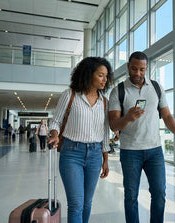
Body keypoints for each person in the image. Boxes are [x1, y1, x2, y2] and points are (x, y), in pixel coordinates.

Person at [108, 51, 175, 223]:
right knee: (131, 196)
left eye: (142, 70)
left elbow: (167, 116)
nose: (138, 73)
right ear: (128, 67)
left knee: (159, 193)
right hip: (130, 151)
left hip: (155, 150)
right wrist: (128, 117)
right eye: (134, 69)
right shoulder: (118, 91)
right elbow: (113, 125)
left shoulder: (156, 87)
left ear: (147, 69)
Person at [47, 57, 113, 223]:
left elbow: (105, 132)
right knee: (76, 203)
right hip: (71, 153)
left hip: (95, 154)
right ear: (89, 74)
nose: (105, 80)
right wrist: (54, 134)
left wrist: (105, 159)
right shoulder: (70, 95)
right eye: (101, 75)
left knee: (86, 202)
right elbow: (55, 121)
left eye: (106, 76)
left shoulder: (104, 102)